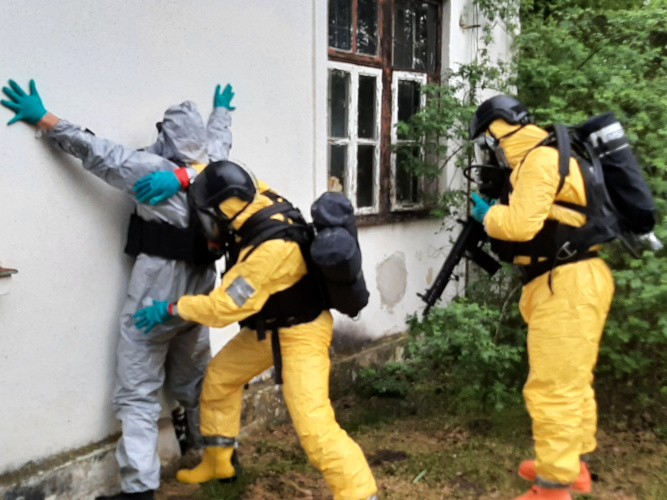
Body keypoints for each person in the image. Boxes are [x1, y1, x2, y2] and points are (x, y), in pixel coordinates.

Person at [1, 79, 235, 500]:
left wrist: (44, 118)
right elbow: (220, 140)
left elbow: (97, 152)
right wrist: (221, 112)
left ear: (167, 136)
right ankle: (216, 456)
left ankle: (139, 488)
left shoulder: (153, 171)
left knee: (138, 391)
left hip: (154, 299)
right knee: (197, 381)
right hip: (198, 298)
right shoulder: (217, 170)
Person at [133, 160, 379, 500]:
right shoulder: (257, 195)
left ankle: (359, 493)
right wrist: (183, 176)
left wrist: (173, 308)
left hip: (303, 333)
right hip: (271, 328)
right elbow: (221, 176)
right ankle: (219, 462)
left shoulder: (269, 252)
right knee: (220, 379)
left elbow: (224, 308)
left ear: (222, 212)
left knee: (314, 423)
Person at [469, 95, 615, 500]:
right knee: (572, 379)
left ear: (497, 132)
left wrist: (488, 216)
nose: (490, 151)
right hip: (571, 279)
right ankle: (572, 466)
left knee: (552, 388)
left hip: (567, 283)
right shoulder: (549, 156)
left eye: (488, 141)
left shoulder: (538, 160)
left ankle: (552, 487)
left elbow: (519, 225)